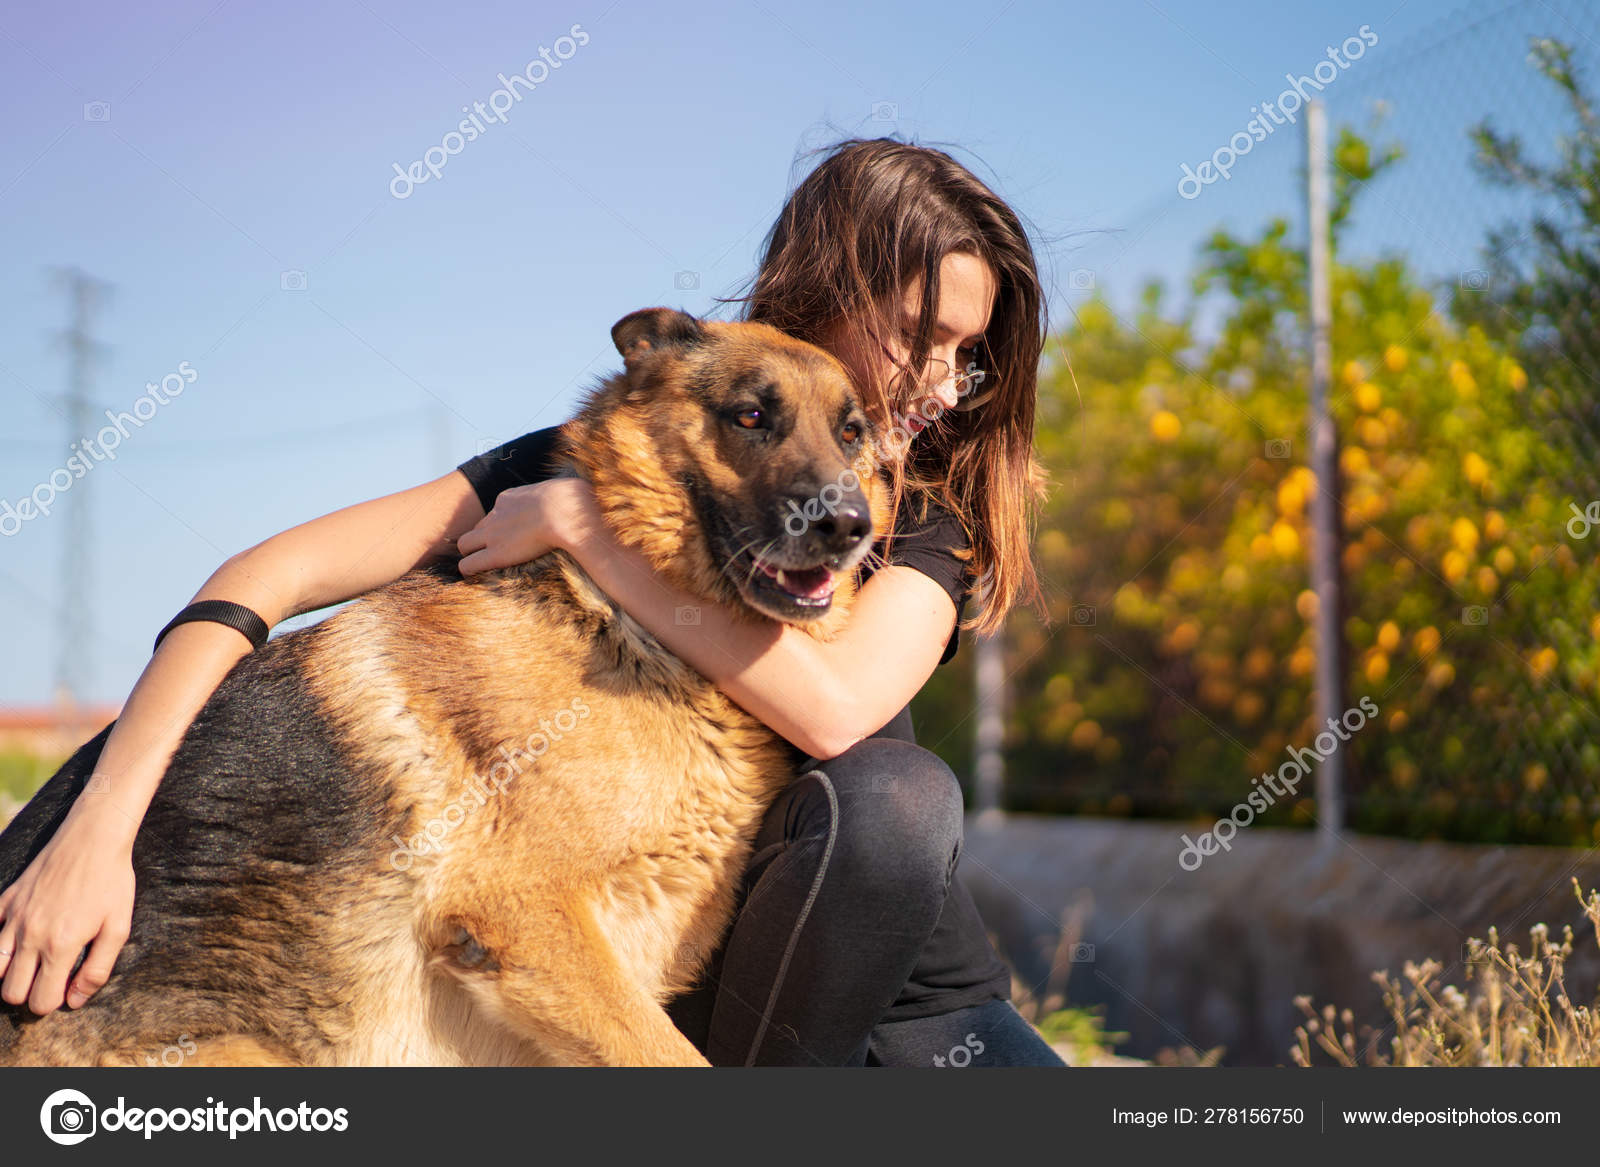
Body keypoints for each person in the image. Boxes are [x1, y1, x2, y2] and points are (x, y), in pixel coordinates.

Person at [0, 137, 1062, 1067]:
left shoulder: (921, 512)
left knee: (895, 792)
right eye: (921, 333)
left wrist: (587, 533)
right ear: (829, 287)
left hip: (916, 1012)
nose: (940, 378)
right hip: (213, 1038)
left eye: (967, 356)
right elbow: (264, 577)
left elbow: (833, 711)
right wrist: (95, 827)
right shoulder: (601, 451)